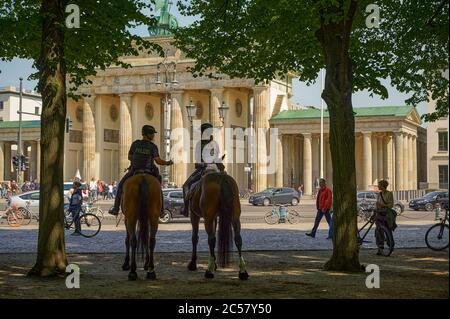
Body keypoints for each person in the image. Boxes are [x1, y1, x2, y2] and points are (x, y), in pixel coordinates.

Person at [108, 125, 173, 216]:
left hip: (134, 170)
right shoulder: (153, 146)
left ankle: (115, 208)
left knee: (121, 185)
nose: (153, 136)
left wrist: (136, 160)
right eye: (152, 134)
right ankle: (161, 210)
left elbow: (129, 157)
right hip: (149, 171)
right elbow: (158, 161)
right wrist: (167, 163)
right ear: (146, 134)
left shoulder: (135, 144)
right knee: (158, 188)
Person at [181, 123, 223, 217]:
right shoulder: (215, 144)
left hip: (203, 170)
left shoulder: (199, 144)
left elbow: (198, 161)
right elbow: (217, 159)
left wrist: (201, 164)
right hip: (215, 169)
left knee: (186, 186)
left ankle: (185, 209)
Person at [375, 179, 396, 255]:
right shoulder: (379, 194)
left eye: (379, 185)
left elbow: (391, 205)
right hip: (379, 214)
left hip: (386, 215)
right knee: (378, 231)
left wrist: (383, 205)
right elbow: (377, 203)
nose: (378, 186)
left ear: (383, 186)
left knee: (388, 231)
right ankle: (380, 248)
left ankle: (391, 246)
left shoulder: (389, 194)